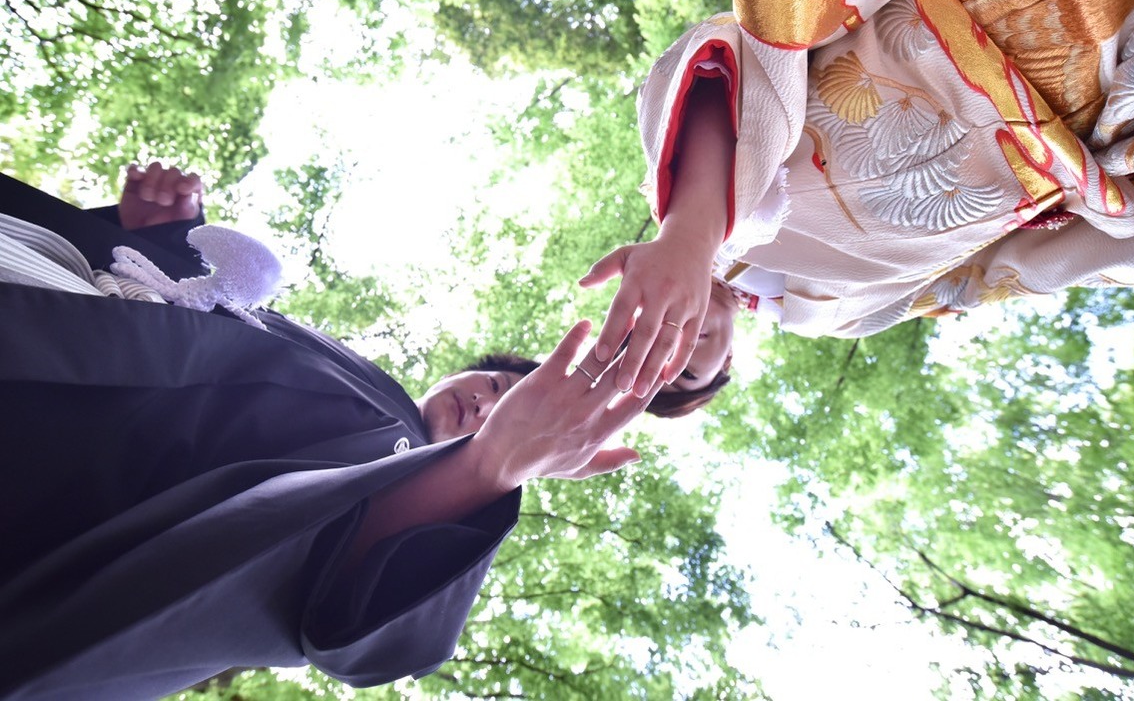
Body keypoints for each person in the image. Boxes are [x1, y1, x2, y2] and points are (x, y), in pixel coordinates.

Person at [0, 163, 662, 699]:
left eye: (512, 411)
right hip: (55, 300)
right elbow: (211, 324)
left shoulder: (408, 482)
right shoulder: (362, 381)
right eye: (492, 386)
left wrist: (487, 469)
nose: (487, 407)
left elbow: (337, 614)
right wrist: (161, 237)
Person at [581, 0, 1134, 405]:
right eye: (683, 374)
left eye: (641, 352)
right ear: (726, 363)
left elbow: (736, 55)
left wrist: (686, 237)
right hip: (1090, 128)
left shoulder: (679, 179)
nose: (669, 352)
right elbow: (987, 274)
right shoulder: (836, 318)